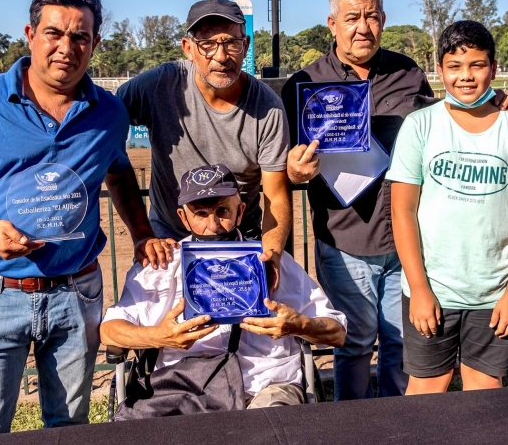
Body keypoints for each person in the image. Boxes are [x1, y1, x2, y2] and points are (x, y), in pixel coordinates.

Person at [0, 0, 166, 438]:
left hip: (77, 293)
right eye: (54, 33)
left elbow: (120, 173)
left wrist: (143, 233)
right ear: (31, 34)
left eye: (80, 37)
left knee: (69, 427)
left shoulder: (109, 112)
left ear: (95, 44)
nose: (66, 48)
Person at [281, 0, 508, 400]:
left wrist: (492, 106)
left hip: (408, 240)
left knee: (401, 346)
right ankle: (352, 424)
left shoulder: (409, 74)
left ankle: (397, 424)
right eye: (352, 18)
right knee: (351, 344)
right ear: (332, 24)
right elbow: (284, 167)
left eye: (371, 16)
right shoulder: (304, 84)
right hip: (345, 241)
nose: (362, 27)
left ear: (383, 20)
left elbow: (447, 123)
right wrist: (294, 173)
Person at [387, 20, 508, 393]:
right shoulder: (420, 126)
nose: (466, 76)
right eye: (455, 66)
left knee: (484, 393)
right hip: (433, 290)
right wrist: (420, 288)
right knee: (427, 391)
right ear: (440, 69)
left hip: (493, 294)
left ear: (493, 69)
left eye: (477, 65)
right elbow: (402, 211)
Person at [100, 164, 347, 408]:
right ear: (183, 217)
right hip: (184, 388)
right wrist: (161, 337)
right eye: (200, 213)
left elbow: (337, 332)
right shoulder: (162, 266)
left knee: (270, 427)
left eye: (222, 211)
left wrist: (298, 325)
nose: (213, 224)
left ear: (240, 212)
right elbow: (109, 331)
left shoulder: (271, 262)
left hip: (264, 385)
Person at [117, 0, 290, 288]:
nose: (221, 56)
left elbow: (277, 195)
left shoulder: (267, 108)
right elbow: (100, 122)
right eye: (207, 43)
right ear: (188, 49)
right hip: (168, 243)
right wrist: (142, 234)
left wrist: (270, 254)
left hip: (237, 239)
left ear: (245, 46)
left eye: (231, 43)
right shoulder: (158, 85)